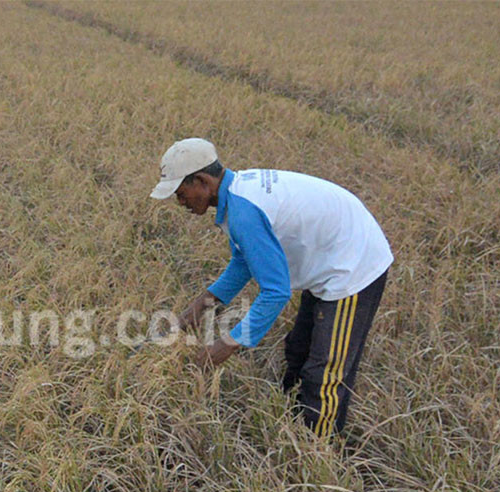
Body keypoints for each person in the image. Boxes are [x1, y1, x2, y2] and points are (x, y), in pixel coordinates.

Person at [151, 138, 392, 437]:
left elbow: (275, 292)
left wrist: (226, 345)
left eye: (181, 193)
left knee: (324, 372)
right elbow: (244, 261)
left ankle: (318, 454)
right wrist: (200, 306)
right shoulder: (237, 194)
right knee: (297, 350)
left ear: (202, 181)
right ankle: (294, 424)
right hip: (328, 259)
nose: (181, 202)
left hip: (353, 268)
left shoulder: (244, 211)